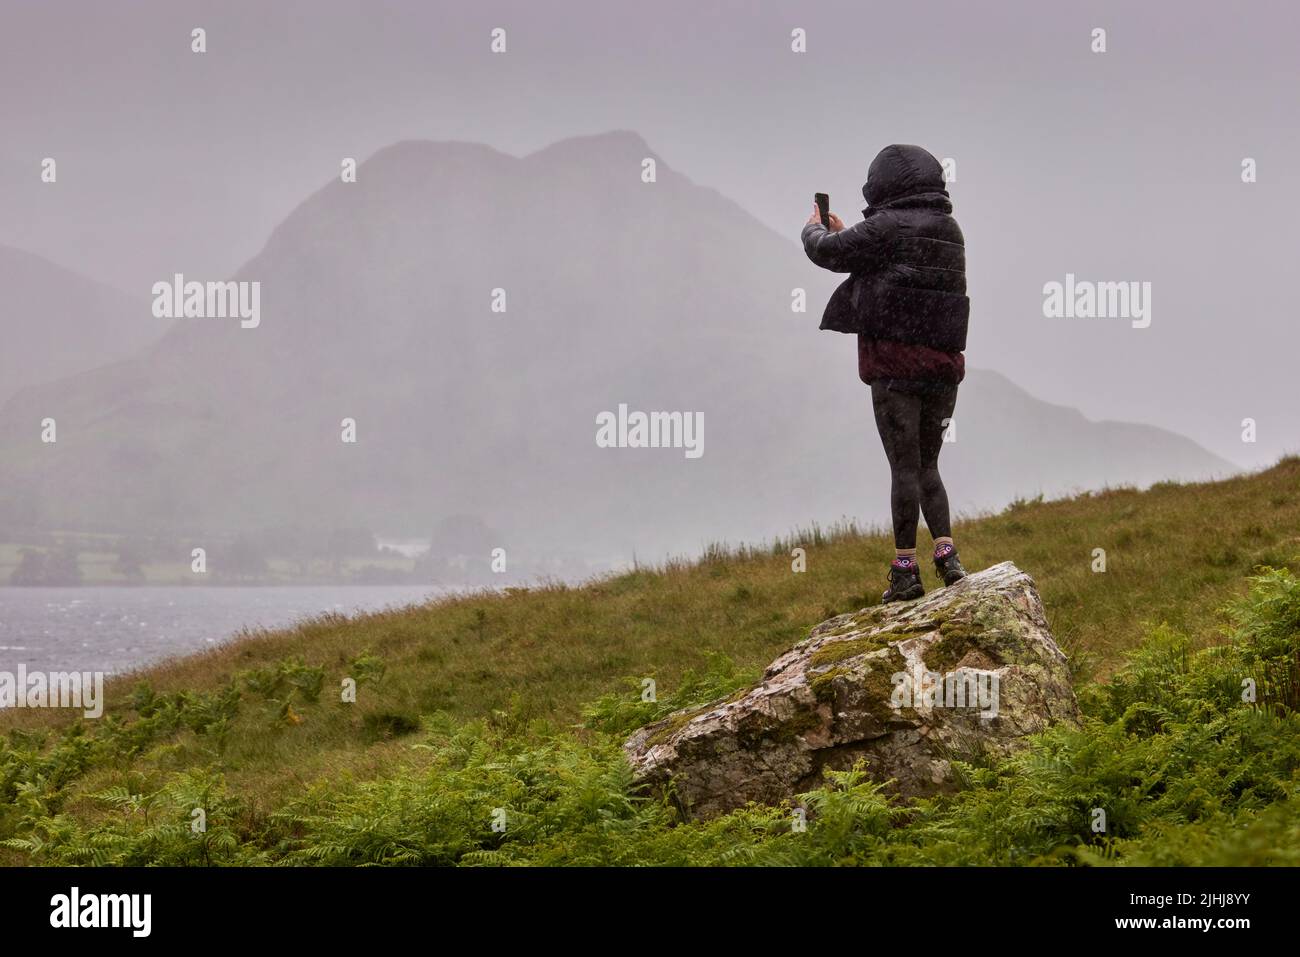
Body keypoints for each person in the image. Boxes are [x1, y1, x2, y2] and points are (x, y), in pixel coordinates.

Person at [801, 144, 970, 602]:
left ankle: (904, 571)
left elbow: (831, 254)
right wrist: (858, 231)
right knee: (929, 465)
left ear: (883, 184)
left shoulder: (888, 226)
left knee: (903, 470)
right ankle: (948, 559)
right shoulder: (949, 228)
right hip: (942, 368)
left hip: (895, 369)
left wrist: (813, 229)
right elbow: (892, 258)